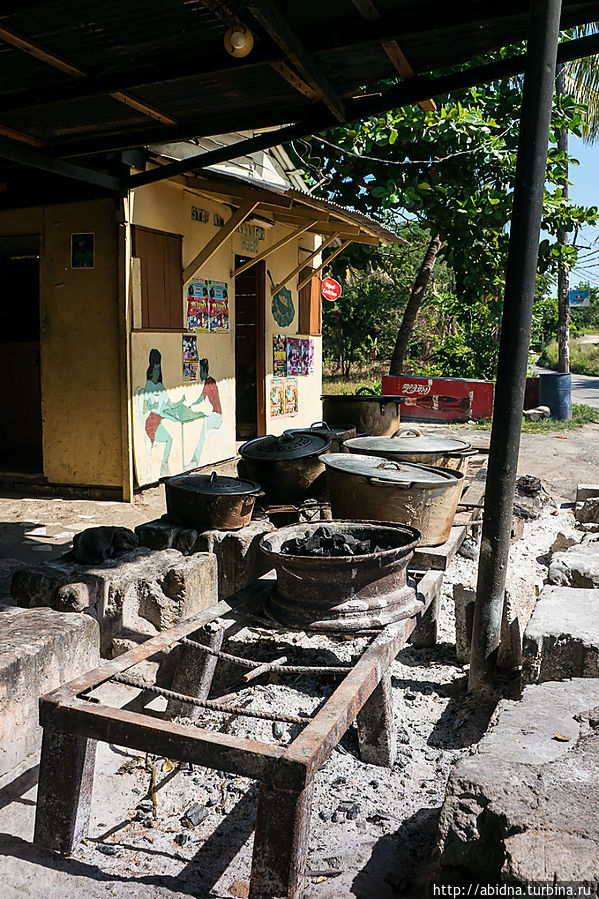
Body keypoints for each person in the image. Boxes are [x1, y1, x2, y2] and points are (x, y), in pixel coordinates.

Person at [142, 348, 173, 477]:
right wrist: (151, 405)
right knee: (169, 439)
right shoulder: (149, 385)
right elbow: (145, 407)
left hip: (159, 419)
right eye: (154, 369)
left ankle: (165, 465)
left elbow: (168, 402)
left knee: (170, 438)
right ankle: (164, 465)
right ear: (150, 370)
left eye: (158, 369)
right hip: (152, 421)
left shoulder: (160, 386)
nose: (156, 372)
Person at [189, 357, 223, 466]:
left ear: (203, 370)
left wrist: (193, 406)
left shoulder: (209, 382)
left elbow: (203, 400)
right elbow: (201, 398)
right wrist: (192, 404)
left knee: (202, 427)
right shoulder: (209, 381)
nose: (199, 374)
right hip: (214, 414)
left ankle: (196, 459)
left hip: (217, 416)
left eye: (200, 371)